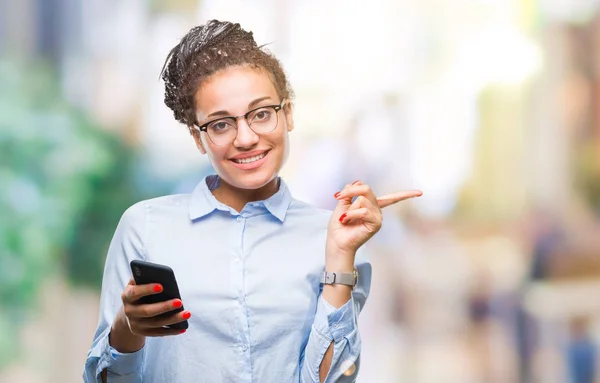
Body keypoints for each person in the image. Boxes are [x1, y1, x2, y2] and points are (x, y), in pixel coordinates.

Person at [82, 20, 421, 383]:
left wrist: (339, 257)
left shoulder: (335, 237)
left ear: (287, 114)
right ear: (199, 138)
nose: (245, 138)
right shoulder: (145, 228)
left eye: (261, 114)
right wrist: (127, 328)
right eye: (221, 124)